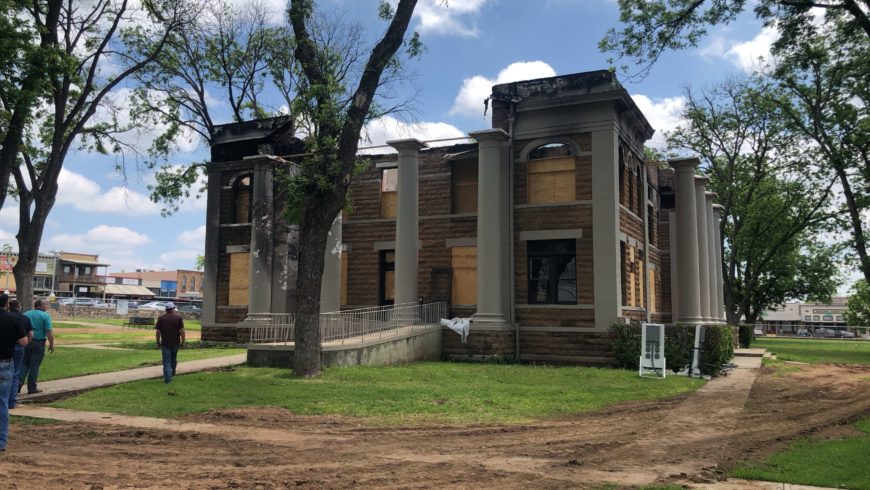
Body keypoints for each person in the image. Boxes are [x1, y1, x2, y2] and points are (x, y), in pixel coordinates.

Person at [0, 294, 29, 453]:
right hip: (4, 362)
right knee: (2, 403)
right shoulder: (13, 320)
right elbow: (24, 341)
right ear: (6, 305)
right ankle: (1, 442)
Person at [21, 299, 54, 394]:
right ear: (40, 306)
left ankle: (18, 384)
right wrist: (51, 344)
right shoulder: (45, 316)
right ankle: (32, 388)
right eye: (45, 305)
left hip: (26, 342)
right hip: (38, 343)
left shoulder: (26, 314)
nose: (47, 307)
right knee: (34, 366)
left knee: (24, 364)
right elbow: (49, 331)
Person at [7, 300, 32, 409]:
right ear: (19, 307)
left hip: (6, 346)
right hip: (19, 346)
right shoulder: (25, 318)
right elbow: (31, 333)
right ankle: (12, 401)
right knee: (15, 373)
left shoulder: (6, 317)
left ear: (9, 307)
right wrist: (26, 344)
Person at [155, 302, 185, 383]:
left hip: (165, 343)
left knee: (167, 361)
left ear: (166, 309)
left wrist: (157, 342)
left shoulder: (161, 318)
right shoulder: (178, 318)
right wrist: (183, 342)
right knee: (173, 358)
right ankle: (172, 372)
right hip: (176, 343)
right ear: (173, 308)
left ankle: (168, 379)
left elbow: (158, 332)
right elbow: (182, 331)